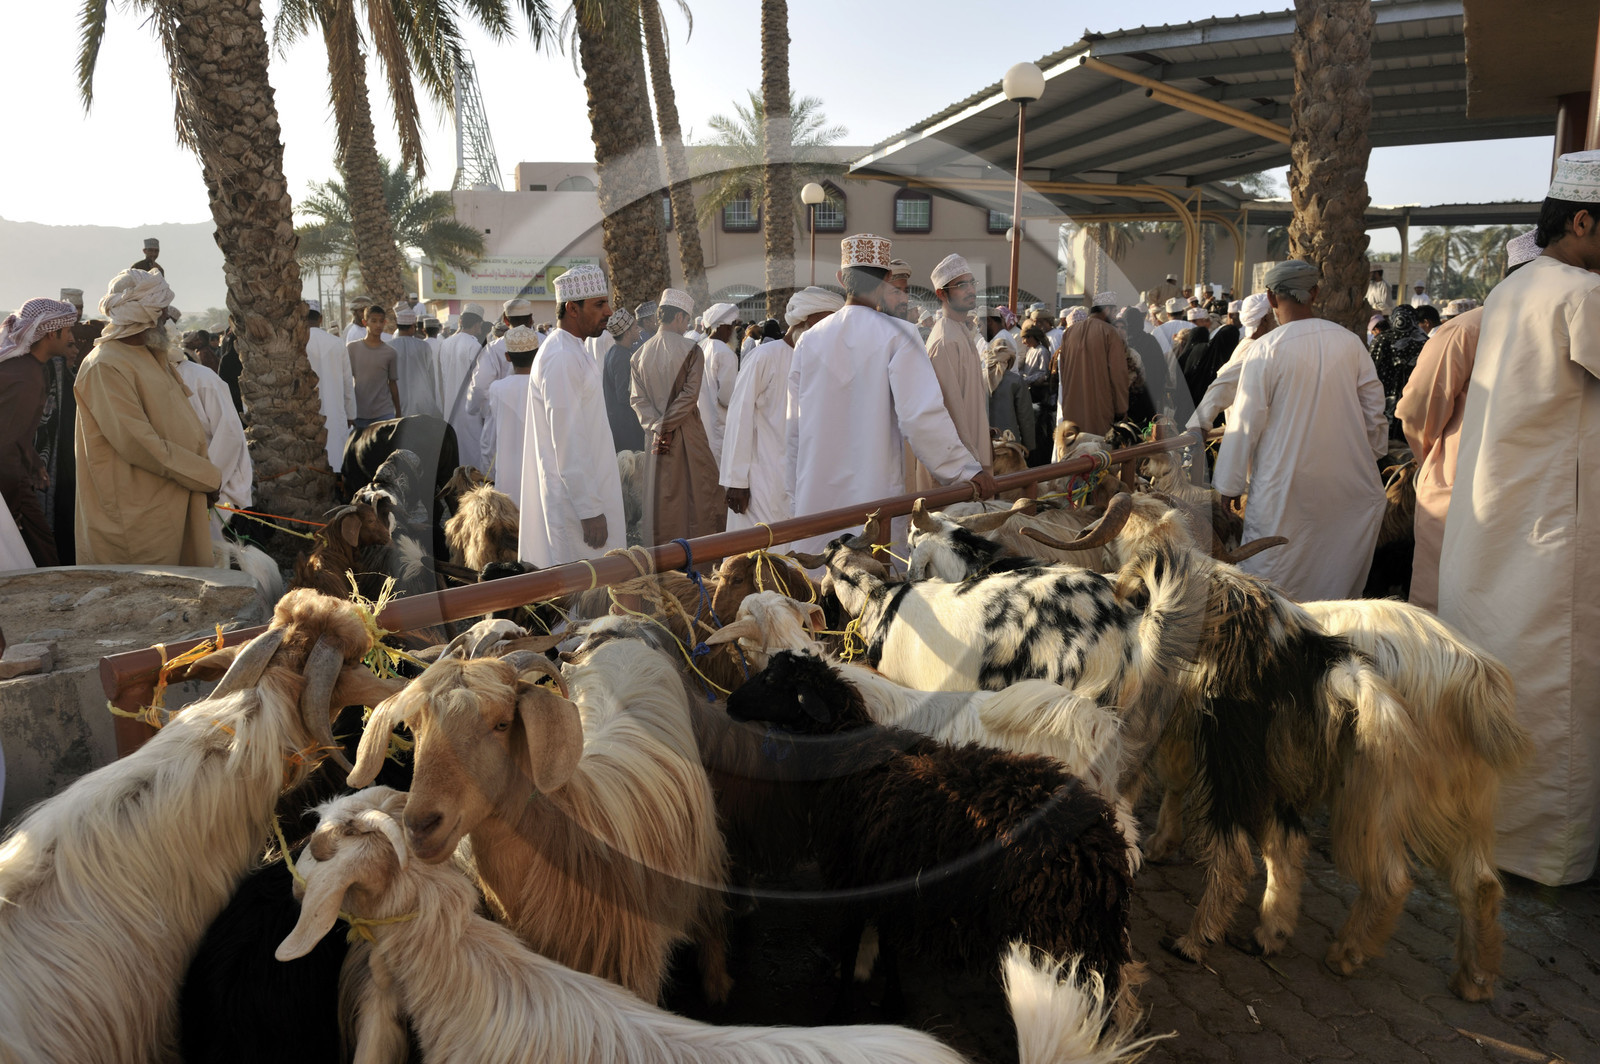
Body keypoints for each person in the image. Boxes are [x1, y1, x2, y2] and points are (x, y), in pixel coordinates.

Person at [1438, 156, 1600, 886]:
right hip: (1550, 544)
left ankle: (1482, 838)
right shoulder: (1580, 293)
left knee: (1499, 688)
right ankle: (1548, 858)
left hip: (1497, 535)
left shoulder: (1510, 291)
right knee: (1550, 697)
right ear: (1583, 221)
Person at [787, 234, 995, 554]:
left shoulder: (808, 340)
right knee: (874, 586)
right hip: (874, 502)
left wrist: (793, 497)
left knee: (821, 582)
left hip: (816, 504)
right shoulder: (900, 335)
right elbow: (920, 418)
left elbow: (794, 430)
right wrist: (967, 472)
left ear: (842, 279)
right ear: (886, 280)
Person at [1211, 260, 1387, 601]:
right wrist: (1368, 455)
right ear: (1315, 293)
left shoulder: (1265, 349)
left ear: (1271, 299)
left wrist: (1229, 485)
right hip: (1346, 485)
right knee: (1338, 577)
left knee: (1276, 579)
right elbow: (1374, 414)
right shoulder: (1350, 342)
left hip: (1283, 488)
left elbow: (1245, 422)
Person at [1396, 232, 1540, 614]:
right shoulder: (1467, 330)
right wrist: (1436, 463)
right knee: (1449, 609)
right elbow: (1421, 409)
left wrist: (1430, 462)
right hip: (1464, 489)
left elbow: (1417, 415)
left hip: (1513, 492)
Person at [73, 270, 220, 567]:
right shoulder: (105, 365)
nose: (166, 319)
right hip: (138, 517)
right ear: (145, 315)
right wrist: (205, 476)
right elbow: (139, 443)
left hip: (173, 499)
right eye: (162, 313)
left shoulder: (150, 354)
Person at [517, 264, 626, 567]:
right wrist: (589, 510)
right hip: (577, 508)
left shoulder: (575, 349)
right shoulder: (562, 357)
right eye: (599, 304)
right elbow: (568, 440)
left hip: (590, 493)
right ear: (572, 309)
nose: (609, 311)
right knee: (583, 599)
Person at [722, 287, 842, 530]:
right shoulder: (765, 356)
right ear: (807, 322)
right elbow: (739, 417)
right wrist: (736, 481)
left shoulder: (822, 362)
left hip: (804, 480)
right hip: (761, 479)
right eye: (825, 324)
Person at [630, 289, 723, 544]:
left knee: (664, 501)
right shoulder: (692, 349)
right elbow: (689, 397)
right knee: (698, 500)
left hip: (656, 440)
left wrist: (657, 427)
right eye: (686, 320)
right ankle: (700, 562)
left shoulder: (639, 354)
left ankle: (665, 563)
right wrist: (666, 425)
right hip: (687, 435)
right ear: (680, 317)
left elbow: (638, 401)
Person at [0, 298, 78, 566]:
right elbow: (6, 444)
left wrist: (32, 460)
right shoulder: (26, 377)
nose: (71, 338)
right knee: (42, 552)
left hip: (14, 474)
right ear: (50, 333)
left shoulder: (24, 368)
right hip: (8, 479)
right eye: (67, 331)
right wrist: (12, 505)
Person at [912, 254, 993, 492]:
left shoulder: (961, 332)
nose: (970, 290)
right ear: (941, 294)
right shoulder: (944, 342)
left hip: (973, 460)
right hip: (960, 472)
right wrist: (968, 466)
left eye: (971, 283)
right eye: (960, 285)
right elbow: (948, 413)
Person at [173, 345, 252, 525]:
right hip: (187, 490)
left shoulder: (201, 378)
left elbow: (229, 434)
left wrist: (206, 483)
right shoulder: (151, 380)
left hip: (221, 490)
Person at [1187, 292, 1275, 432]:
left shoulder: (1248, 344)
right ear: (1264, 319)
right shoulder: (1254, 350)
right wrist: (1199, 425)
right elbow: (1223, 385)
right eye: (1273, 315)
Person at [1056, 292, 1130, 436]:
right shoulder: (1110, 332)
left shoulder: (1069, 332)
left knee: (1074, 449)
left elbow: (1063, 373)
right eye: (1114, 312)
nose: (1114, 317)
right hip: (1100, 406)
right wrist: (1121, 408)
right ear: (1107, 310)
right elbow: (1118, 373)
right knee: (1099, 453)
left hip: (1072, 406)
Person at [465, 300, 529, 464]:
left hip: (501, 424)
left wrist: (474, 410)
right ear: (531, 320)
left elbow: (478, 388)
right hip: (534, 424)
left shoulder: (494, 348)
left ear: (506, 321)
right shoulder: (545, 342)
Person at [484, 325, 537, 509]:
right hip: (539, 474)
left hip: (507, 476)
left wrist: (488, 474)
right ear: (537, 354)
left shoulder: (497, 389)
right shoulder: (544, 387)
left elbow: (488, 439)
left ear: (507, 357)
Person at [437, 302, 490, 470]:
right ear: (477, 324)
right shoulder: (473, 345)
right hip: (469, 410)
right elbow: (478, 381)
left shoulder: (446, 343)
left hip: (449, 408)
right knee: (472, 453)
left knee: (455, 451)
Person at [304, 302, 355, 469]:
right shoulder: (337, 343)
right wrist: (351, 413)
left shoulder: (297, 343)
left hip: (306, 413)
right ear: (320, 318)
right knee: (336, 459)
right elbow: (348, 381)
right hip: (335, 411)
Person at [698, 303, 740, 461]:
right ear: (722, 327)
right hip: (719, 425)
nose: (732, 331)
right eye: (731, 326)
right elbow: (727, 398)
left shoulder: (700, 347)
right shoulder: (725, 353)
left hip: (701, 425)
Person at [347, 304, 399, 428]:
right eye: (374, 321)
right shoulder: (352, 349)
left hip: (384, 414)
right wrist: (348, 411)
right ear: (365, 322)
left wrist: (398, 412)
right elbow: (347, 381)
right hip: (359, 414)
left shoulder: (390, 352)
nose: (378, 325)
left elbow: (392, 383)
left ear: (385, 322)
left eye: (381, 321)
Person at [602, 308, 645, 453]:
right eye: (634, 327)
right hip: (626, 428)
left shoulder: (618, 352)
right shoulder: (621, 357)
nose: (638, 329)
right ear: (627, 333)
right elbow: (623, 395)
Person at [985, 335, 1035, 454]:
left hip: (983, 445)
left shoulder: (976, 378)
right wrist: (1029, 446)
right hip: (1010, 445)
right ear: (1010, 359)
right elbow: (1025, 418)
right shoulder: (1016, 381)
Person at [390, 305, 442, 420]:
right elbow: (431, 377)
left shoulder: (388, 346)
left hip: (397, 403)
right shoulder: (423, 346)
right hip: (422, 402)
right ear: (412, 327)